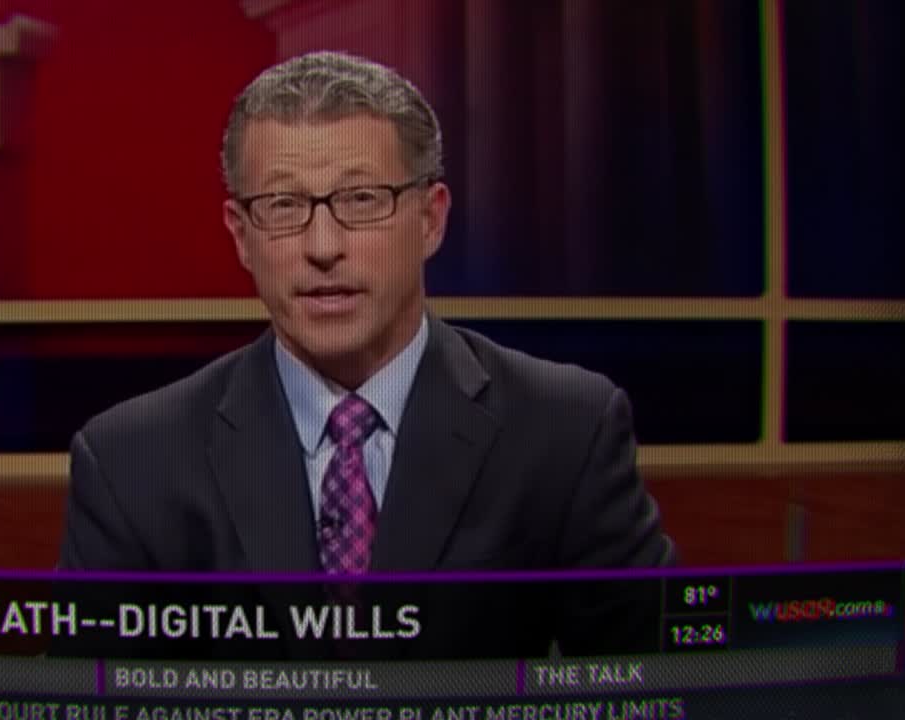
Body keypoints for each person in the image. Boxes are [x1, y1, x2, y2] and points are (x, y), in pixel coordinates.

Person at [58, 51, 673, 656]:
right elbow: (98, 696)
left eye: (361, 200)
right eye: (283, 206)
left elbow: (662, 684)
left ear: (430, 220)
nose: (323, 246)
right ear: (242, 235)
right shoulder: (133, 461)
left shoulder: (564, 429)